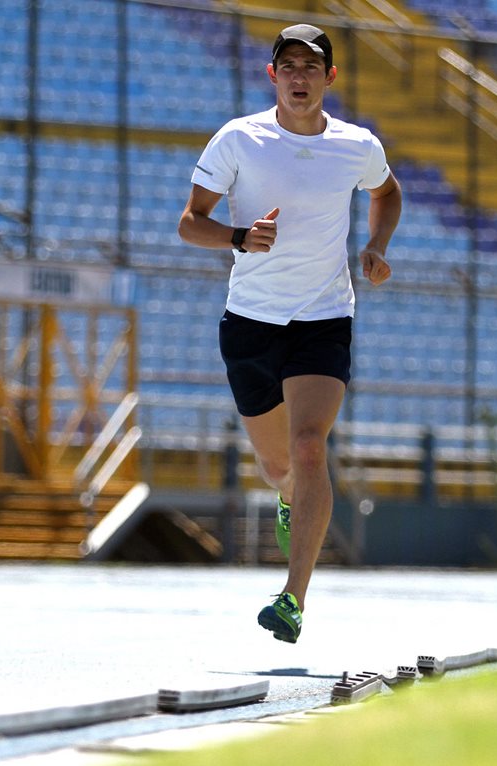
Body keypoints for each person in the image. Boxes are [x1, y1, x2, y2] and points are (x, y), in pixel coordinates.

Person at [177, 23, 402, 643]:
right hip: (250, 320)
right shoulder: (239, 140)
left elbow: (387, 192)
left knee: (310, 447)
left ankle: (292, 597)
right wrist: (237, 237)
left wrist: (377, 247)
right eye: (289, 66)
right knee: (282, 467)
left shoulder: (357, 146)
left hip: (324, 317)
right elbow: (189, 223)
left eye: (312, 67)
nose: (300, 77)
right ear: (272, 75)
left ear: (330, 78)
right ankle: (287, 496)